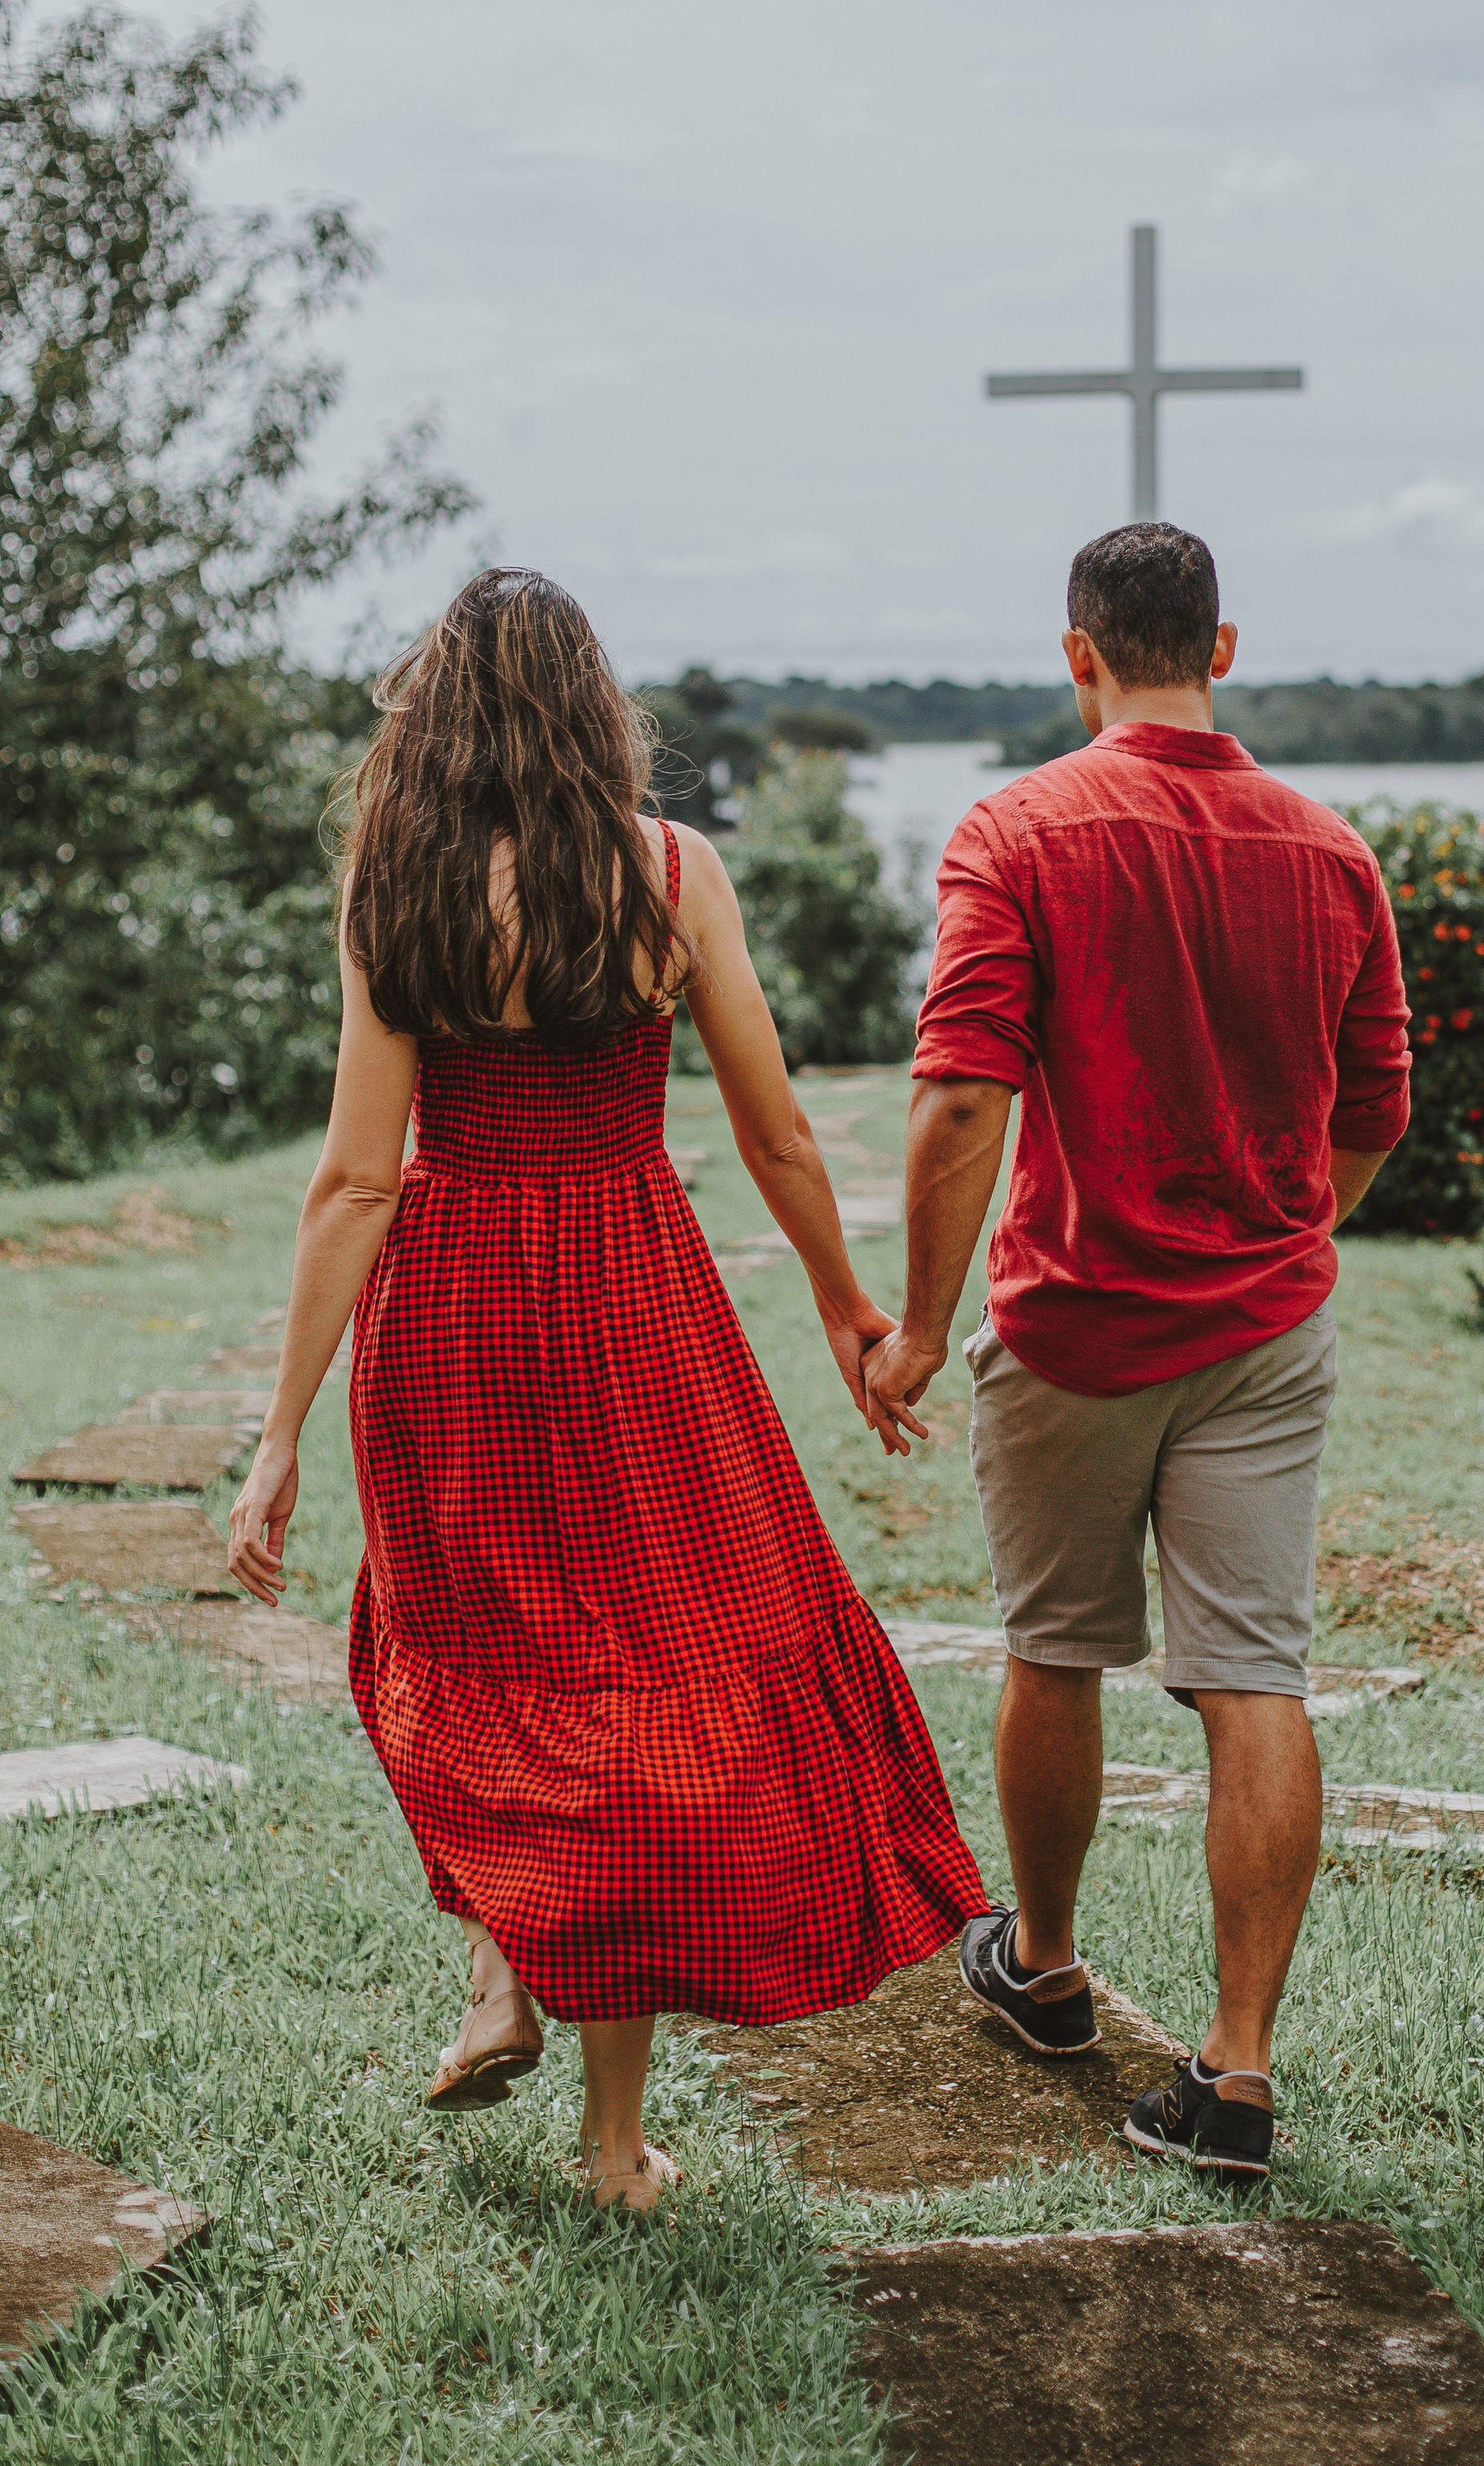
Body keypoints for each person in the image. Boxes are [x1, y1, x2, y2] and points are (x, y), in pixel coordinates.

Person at [226, 570, 984, 2212]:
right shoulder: (671, 871)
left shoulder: (395, 884)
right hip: (633, 1295)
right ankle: (613, 2140)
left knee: (478, 1653)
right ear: (592, 708)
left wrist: (279, 1434)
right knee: (637, 1676)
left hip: (450, 1317)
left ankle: (506, 1964)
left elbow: (356, 1181)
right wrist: (850, 1311)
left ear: (436, 718)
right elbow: (778, 1129)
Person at [863, 523, 1409, 2181]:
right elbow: (1374, 1112)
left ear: (1077, 653)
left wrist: (920, 1327)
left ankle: (1042, 1970)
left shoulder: (1015, 830)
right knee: (1256, 1679)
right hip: (1266, 1329)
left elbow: (963, 1098)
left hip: (1075, 1324)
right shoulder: (1331, 853)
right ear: (1220, 648)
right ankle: (1235, 2073)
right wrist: (1276, 1235)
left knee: (1055, 1651)